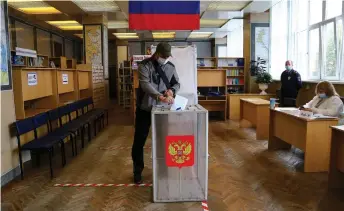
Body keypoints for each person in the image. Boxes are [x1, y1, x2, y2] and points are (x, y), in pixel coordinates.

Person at [132, 42, 180, 184]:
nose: (165, 58)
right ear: (157, 54)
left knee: (164, 141)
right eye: (164, 56)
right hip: (145, 109)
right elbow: (145, 84)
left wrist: (172, 91)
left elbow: (177, 83)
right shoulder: (145, 65)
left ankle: (163, 168)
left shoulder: (171, 67)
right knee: (139, 141)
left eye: (167, 56)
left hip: (163, 111)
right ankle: (137, 170)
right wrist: (159, 96)